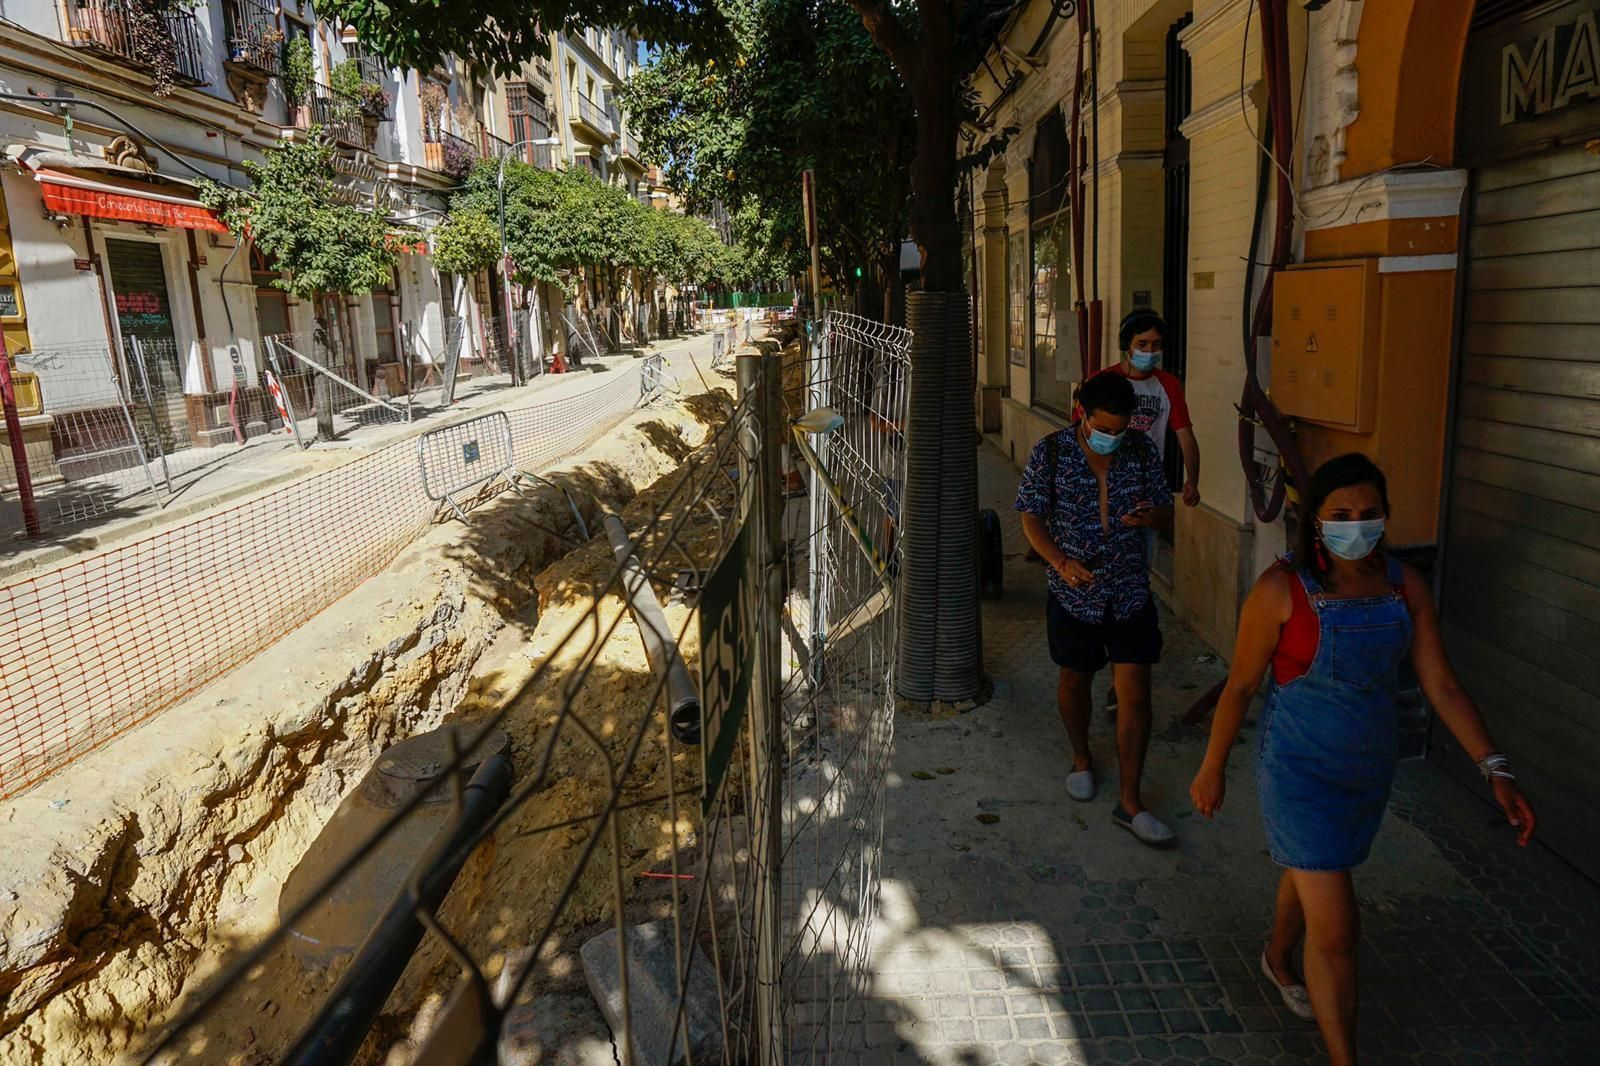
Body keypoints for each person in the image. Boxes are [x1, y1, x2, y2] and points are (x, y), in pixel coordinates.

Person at [1189, 453, 1536, 1066]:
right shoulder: (1281, 591)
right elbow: (1240, 686)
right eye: (1342, 515)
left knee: (1310, 868)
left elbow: (1442, 686)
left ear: (1386, 516)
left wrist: (1495, 769)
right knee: (1339, 933)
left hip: (1368, 772)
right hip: (1299, 775)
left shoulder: (1406, 586)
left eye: (1369, 513)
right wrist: (1211, 767)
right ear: (1315, 521)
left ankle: (1276, 957)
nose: (1357, 525)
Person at [1016, 373, 1176, 847]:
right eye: (1104, 428)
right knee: (1074, 681)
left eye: (1121, 429)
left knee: (1136, 694)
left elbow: (1166, 510)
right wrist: (1059, 562)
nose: (1113, 437)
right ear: (1082, 414)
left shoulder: (1141, 451)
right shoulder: (1051, 452)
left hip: (1129, 590)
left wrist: (1153, 517)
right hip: (1075, 594)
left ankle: (1130, 801)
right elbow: (1030, 516)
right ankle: (1082, 758)